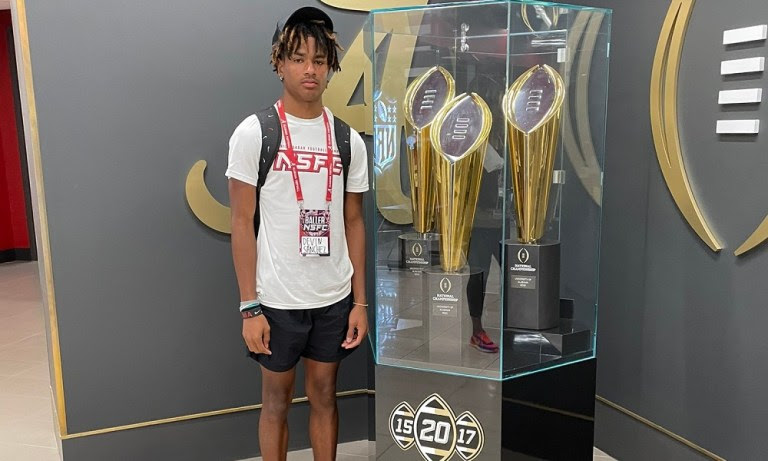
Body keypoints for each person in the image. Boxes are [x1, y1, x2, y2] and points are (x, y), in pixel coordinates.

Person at [225, 7, 368, 461]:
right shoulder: (255, 133)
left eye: (320, 60)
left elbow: (354, 222)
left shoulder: (348, 140)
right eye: (299, 58)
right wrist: (250, 307)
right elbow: (240, 222)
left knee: (326, 396)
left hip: (332, 297)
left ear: (331, 67)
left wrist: (359, 302)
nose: (310, 69)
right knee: (276, 402)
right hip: (277, 300)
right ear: (279, 63)